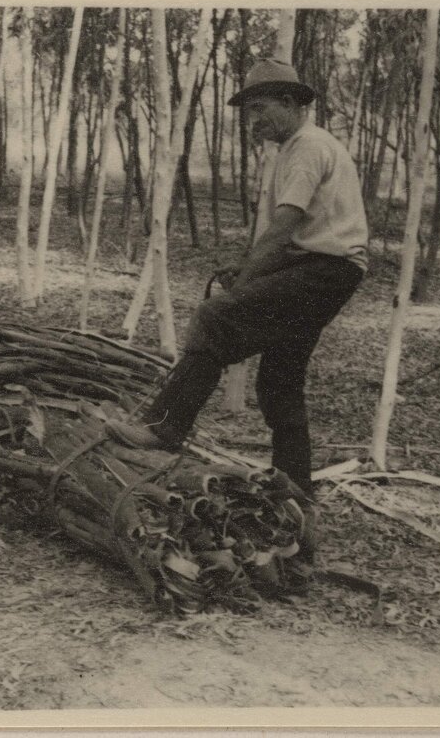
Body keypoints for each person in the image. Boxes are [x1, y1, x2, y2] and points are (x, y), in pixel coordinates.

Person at [106, 59, 368, 501]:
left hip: (324, 272)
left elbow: (285, 227)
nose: (255, 120)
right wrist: (249, 269)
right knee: (280, 380)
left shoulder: (307, 146)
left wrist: (248, 276)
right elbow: (292, 236)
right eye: (249, 112)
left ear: (289, 101)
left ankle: (165, 426)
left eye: (261, 108)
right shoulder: (295, 148)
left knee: (216, 316)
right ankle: (296, 493)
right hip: (321, 270)